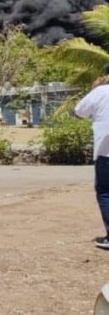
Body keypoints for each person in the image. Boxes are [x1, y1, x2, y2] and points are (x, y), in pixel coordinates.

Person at [73, 65, 109, 249]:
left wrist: (94, 90)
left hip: (106, 153)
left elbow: (78, 112)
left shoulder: (101, 92)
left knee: (105, 192)